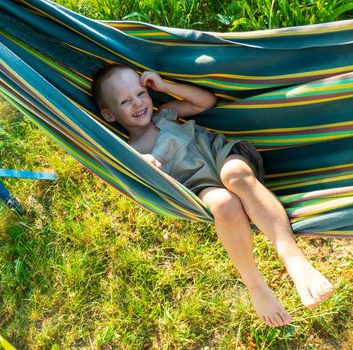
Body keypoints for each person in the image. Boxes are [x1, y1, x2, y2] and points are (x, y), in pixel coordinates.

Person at [91, 63, 333, 327]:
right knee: (224, 203)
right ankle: (255, 284)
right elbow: (131, 180)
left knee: (235, 176)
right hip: (200, 186)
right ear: (109, 115)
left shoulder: (165, 114)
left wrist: (165, 87)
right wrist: (143, 165)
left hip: (221, 156)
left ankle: (292, 257)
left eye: (141, 93)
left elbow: (206, 101)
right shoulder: (131, 152)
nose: (138, 103)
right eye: (125, 101)